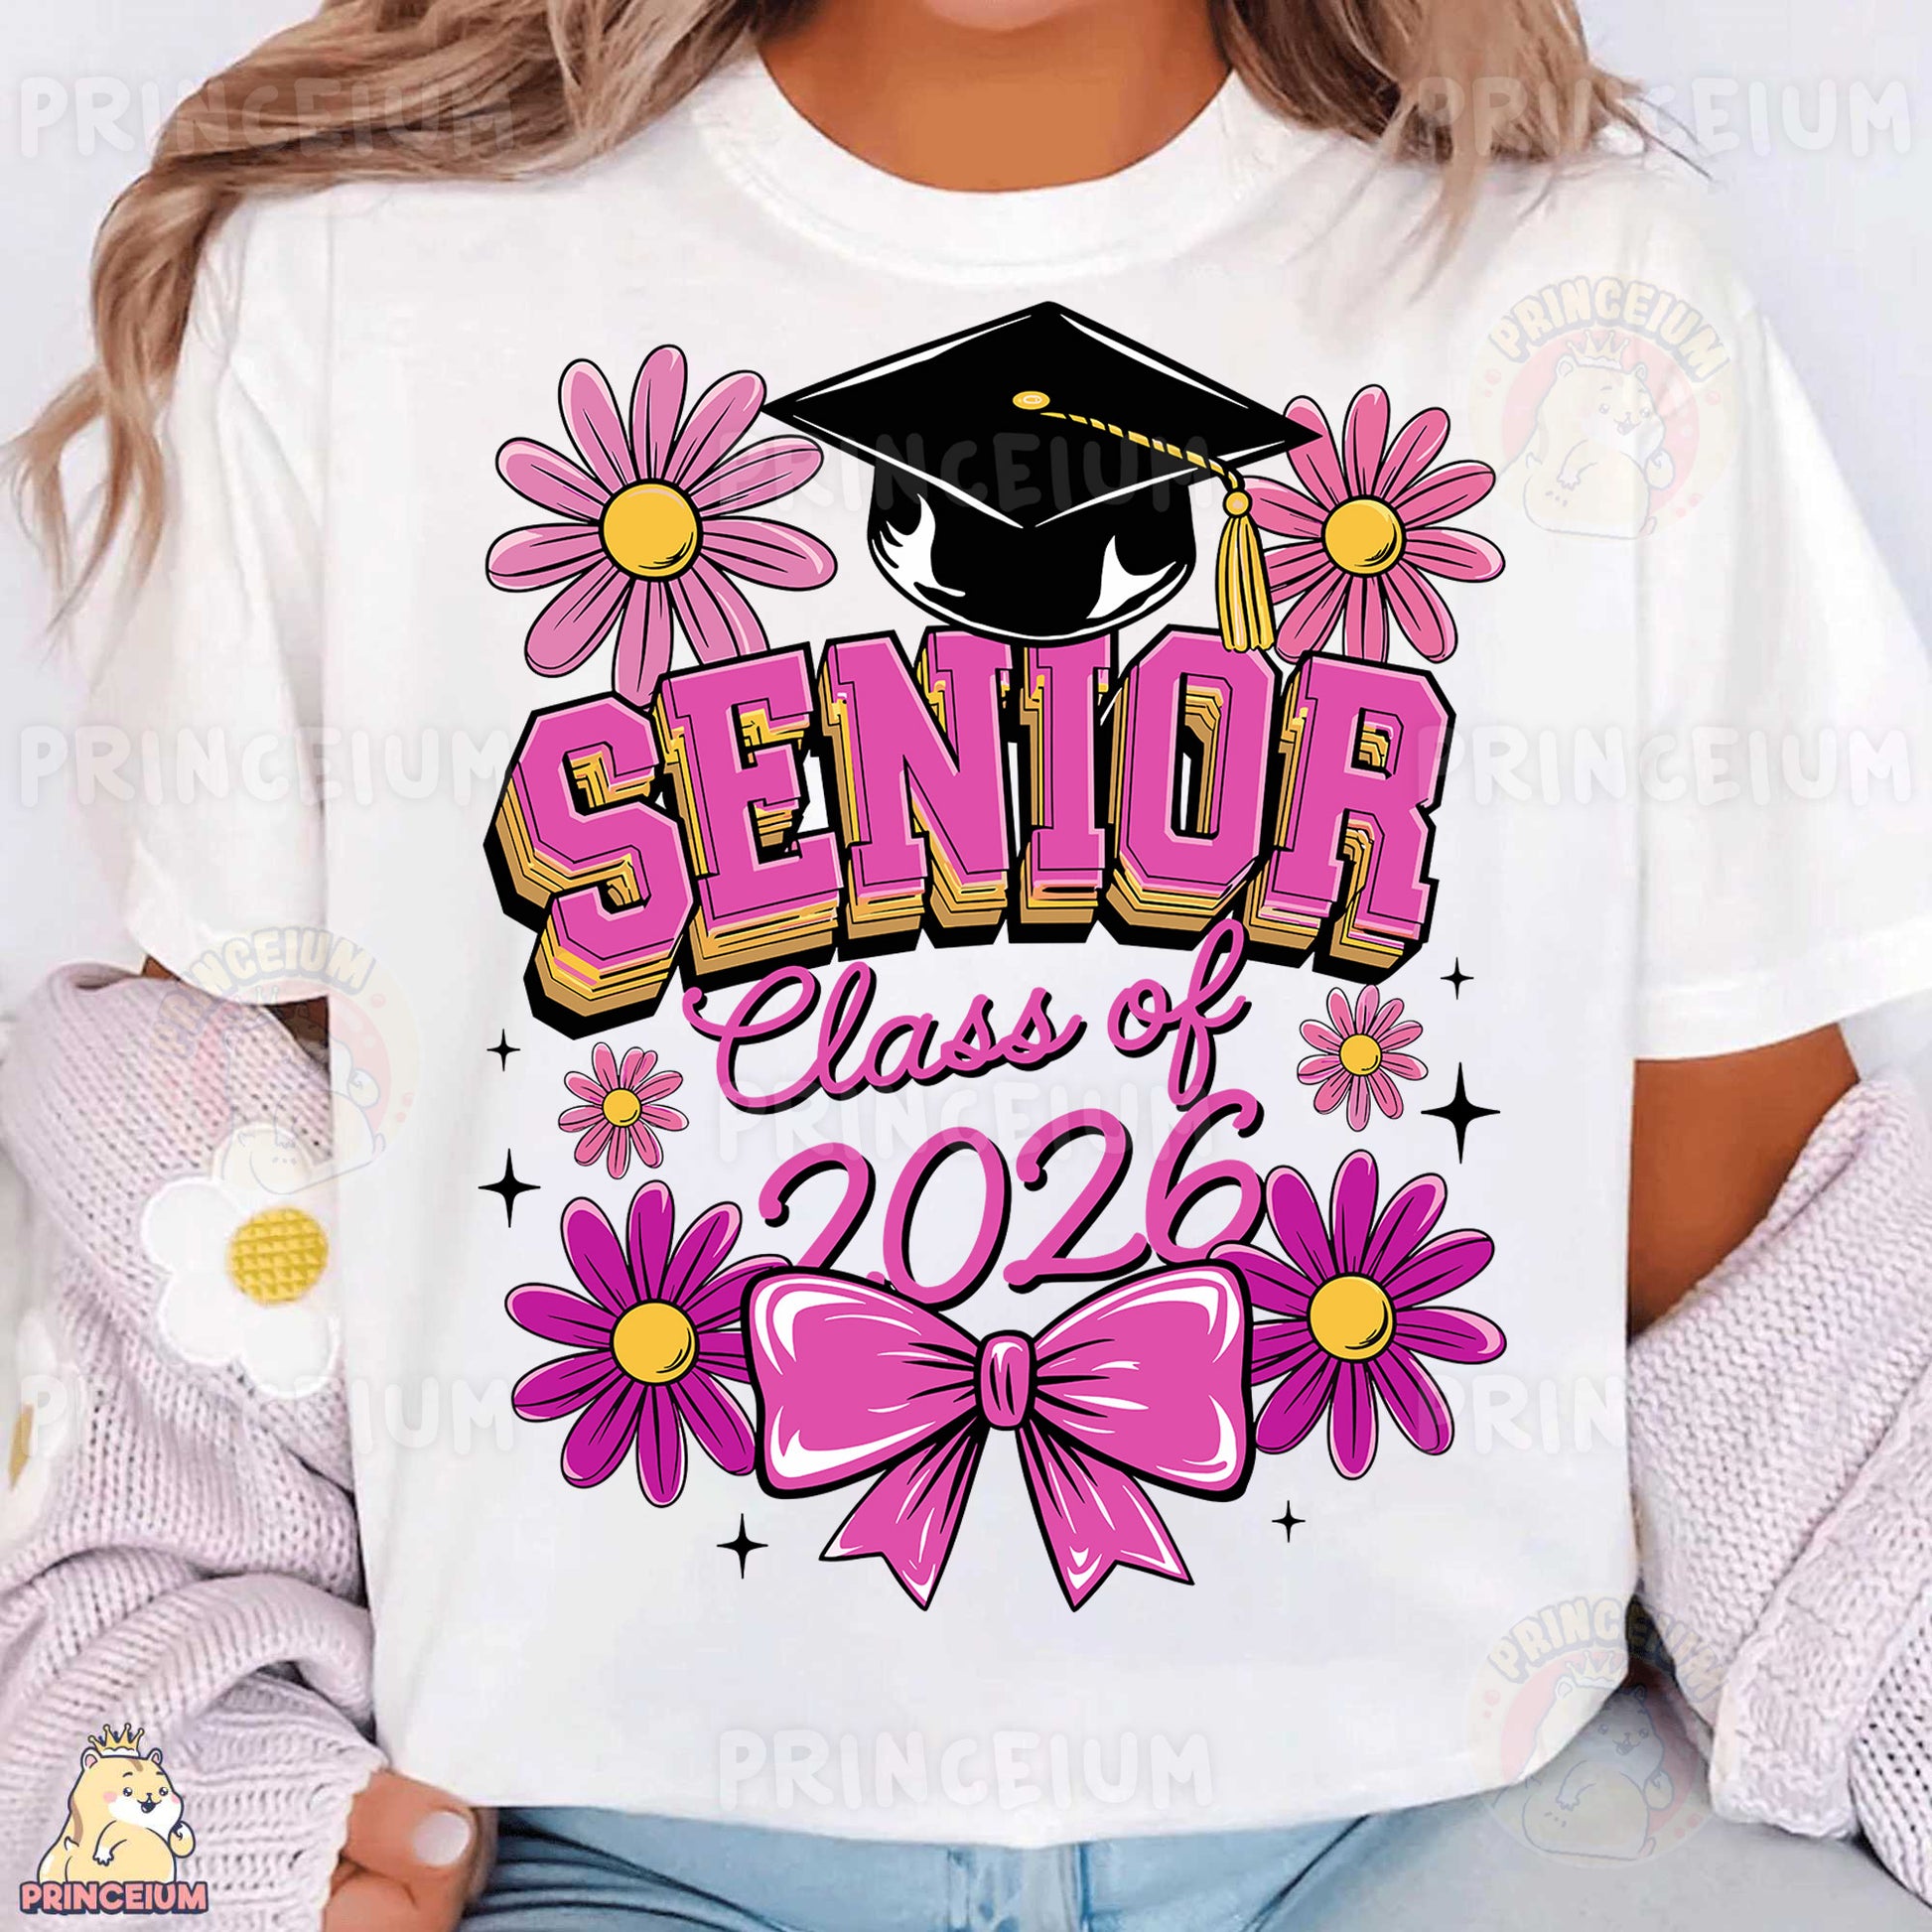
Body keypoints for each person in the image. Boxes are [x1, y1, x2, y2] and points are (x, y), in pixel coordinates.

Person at [8, 0, 1932, 1926]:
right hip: (600, 1831)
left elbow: (1763, 1250)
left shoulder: (1582, 294)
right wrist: (173, 1814)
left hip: (1437, 1810)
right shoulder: (364, 282)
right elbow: (216, 1205)